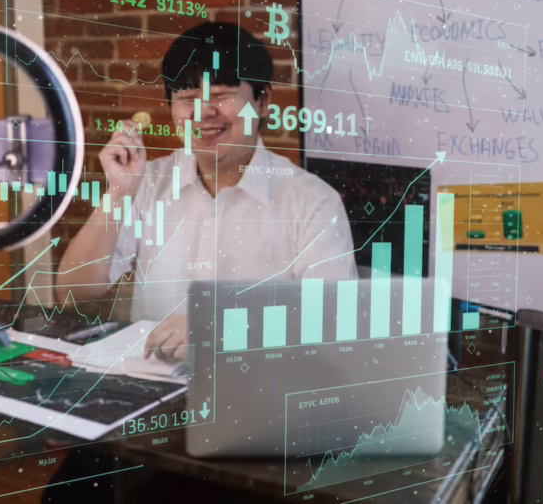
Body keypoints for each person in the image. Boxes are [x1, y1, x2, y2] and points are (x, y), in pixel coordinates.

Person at [55, 21, 357, 363]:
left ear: (263, 100)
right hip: (154, 391)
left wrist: (217, 329)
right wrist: (119, 194)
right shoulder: (148, 183)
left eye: (221, 95)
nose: (203, 112)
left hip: (261, 395)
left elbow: (335, 321)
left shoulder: (312, 201)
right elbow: (73, 293)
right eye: (187, 98)